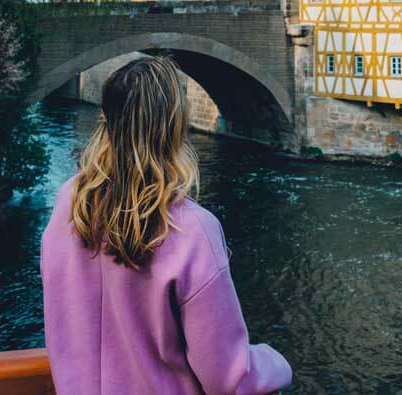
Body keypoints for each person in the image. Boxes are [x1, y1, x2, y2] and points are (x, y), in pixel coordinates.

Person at [41, 57, 291, 394]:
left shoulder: (69, 203)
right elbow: (227, 378)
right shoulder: (193, 231)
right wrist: (276, 363)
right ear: (174, 127)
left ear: (108, 120)